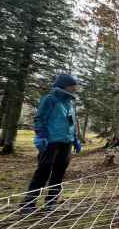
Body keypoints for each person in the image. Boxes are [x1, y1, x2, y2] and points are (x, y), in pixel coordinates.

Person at [20, 74, 82, 214]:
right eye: (72, 86)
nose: (74, 89)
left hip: (66, 143)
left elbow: (71, 123)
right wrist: (41, 135)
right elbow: (39, 118)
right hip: (50, 142)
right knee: (43, 172)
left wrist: (75, 139)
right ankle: (28, 204)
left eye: (75, 87)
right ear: (64, 85)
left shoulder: (70, 103)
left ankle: (51, 203)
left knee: (59, 174)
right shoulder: (50, 99)